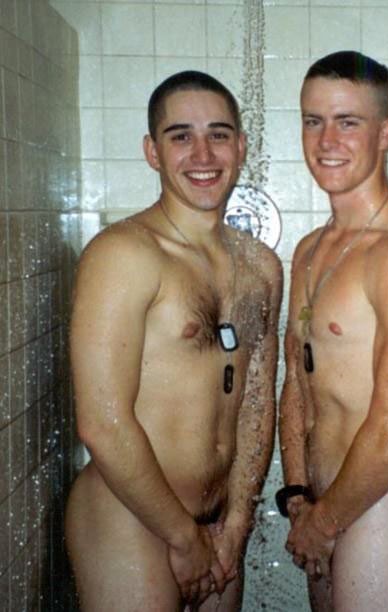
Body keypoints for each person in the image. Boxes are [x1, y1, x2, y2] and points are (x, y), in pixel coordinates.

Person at [65, 70, 283, 612]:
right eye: (180, 136)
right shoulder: (124, 254)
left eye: (218, 134)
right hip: (131, 518)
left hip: (216, 526)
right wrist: (183, 538)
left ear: (241, 146)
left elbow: (256, 403)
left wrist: (235, 524)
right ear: (152, 152)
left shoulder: (261, 267)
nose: (202, 154)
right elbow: (102, 422)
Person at [277, 51, 388, 611]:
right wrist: (299, 495)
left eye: (347, 122)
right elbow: (298, 381)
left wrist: (324, 521)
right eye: (313, 120)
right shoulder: (310, 250)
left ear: (385, 133)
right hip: (326, 502)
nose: (326, 140)